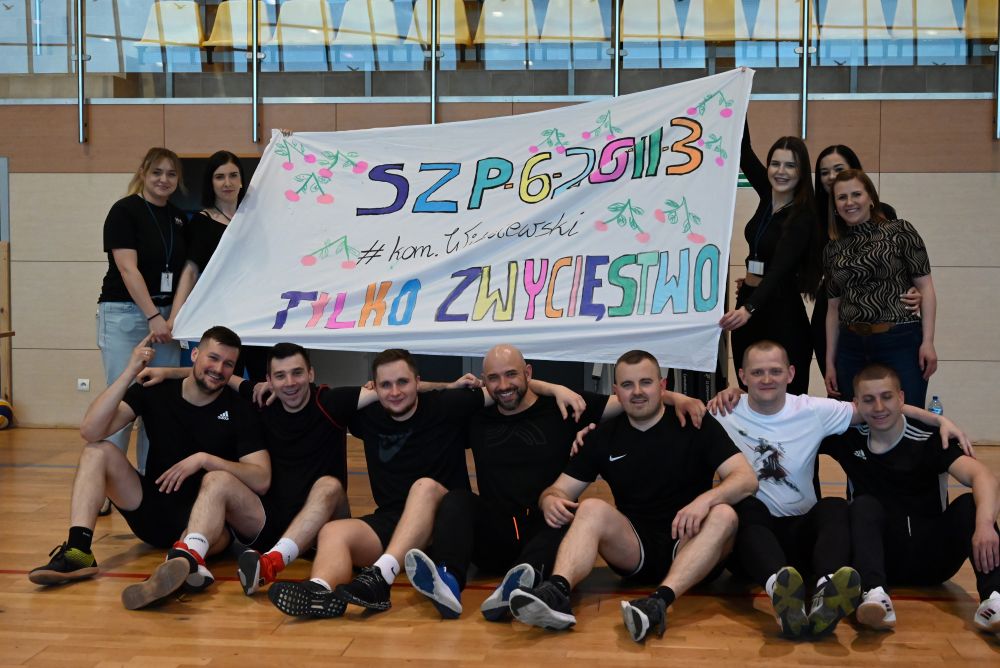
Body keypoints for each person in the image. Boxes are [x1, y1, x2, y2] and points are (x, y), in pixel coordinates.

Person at [267, 348, 583, 619]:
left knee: (424, 487)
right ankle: (320, 593)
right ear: (374, 387)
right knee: (332, 532)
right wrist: (259, 387)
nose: (395, 392)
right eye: (386, 384)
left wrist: (555, 388)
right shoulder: (366, 416)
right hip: (393, 521)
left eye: (403, 382)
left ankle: (381, 578)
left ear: (418, 382)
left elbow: (505, 386)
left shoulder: (448, 405)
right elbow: (304, 398)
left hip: (444, 525)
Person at [402, 344, 707, 621]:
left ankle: (518, 585)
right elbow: (414, 395)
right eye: (493, 378)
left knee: (567, 514)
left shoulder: (565, 407)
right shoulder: (476, 416)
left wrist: (676, 397)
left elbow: (632, 398)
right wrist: (440, 386)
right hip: (495, 534)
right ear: (484, 382)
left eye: (511, 374)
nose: (503, 385)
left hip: (546, 529)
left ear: (528, 373)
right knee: (456, 499)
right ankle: (448, 582)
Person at [708, 340, 969, 638]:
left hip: (800, 539)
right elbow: (680, 407)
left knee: (833, 506)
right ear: (742, 376)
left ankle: (826, 589)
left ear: (790, 373)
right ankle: (779, 591)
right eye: (757, 372)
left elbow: (877, 405)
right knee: (745, 505)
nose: (767, 379)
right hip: (750, 545)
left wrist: (938, 419)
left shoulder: (813, 410)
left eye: (775, 371)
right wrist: (691, 397)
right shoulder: (722, 412)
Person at [508, 350, 757, 643]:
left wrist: (705, 501)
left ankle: (659, 603)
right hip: (636, 549)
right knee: (591, 507)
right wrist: (550, 499)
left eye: (646, 383)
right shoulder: (602, 436)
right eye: (627, 385)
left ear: (662, 386)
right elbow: (558, 489)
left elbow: (746, 479)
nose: (637, 392)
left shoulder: (694, 423)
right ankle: (557, 591)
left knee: (724, 513)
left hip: (692, 543)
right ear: (616, 391)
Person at [118, 342, 380, 609]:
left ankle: (271, 564)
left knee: (329, 485)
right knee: (216, 478)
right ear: (268, 380)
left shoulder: (331, 401)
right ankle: (189, 557)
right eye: (280, 375)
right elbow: (221, 376)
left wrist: (386, 384)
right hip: (267, 525)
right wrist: (168, 373)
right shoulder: (261, 400)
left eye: (297, 373)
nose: (290, 382)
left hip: (322, 528)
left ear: (311, 374)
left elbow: (393, 390)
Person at [28, 327, 267, 590]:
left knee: (211, 529)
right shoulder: (156, 389)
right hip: (152, 511)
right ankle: (79, 552)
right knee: (97, 451)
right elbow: (90, 431)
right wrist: (130, 371)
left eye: (228, 364)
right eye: (213, 358)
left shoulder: (239, 409)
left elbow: (261, 478)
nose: (219, 369)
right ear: (195, 355)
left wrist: (206, 460)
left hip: (207, 524)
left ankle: (178, 567)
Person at [819, 363, 1000, 636]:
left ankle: (994, 599)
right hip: (880, 560)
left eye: (887, 397)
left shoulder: (930, 438)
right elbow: (798, 415)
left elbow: (983, 476)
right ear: (855, 404)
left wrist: (985, 525)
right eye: (868, 400)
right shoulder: (848, 439)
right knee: (863, 505)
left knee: (970, 506)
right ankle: (875, 595)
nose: (879, 407)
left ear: (901, 398)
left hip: (933, 558)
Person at [97, 147, 188, 473]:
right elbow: (127, 269)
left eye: (171, 174)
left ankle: (151, 484)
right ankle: (109, 484)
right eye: (157, 172)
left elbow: (186, 272)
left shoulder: (178, 218)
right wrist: (153, 316)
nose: (164, 179)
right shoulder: (125, 211)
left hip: (166, 319)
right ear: (143, 173)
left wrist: (172, 317)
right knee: (122, 402)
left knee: (159, 405)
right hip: (127, 314)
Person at [720, 125, 821, 396]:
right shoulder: (768, 194)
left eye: (790, 165)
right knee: (748, 388)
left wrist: (749, 308)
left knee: (787, 395)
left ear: (801, 172)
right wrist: (740, 99)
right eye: (775, 164)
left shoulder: (802, 215)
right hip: (750, 299)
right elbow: (743, 151)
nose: (781, 171)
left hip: (780, 310)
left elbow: (779, 270)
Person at [823, 169, 937, 407]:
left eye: (856, 194)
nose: (850, 202)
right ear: (834, 206)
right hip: (850, 344)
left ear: (871, 198)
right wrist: (830, 362)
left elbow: (925, 287)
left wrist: (928, 342)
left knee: (908, 413)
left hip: (900, 339)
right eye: (842, 197)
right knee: (853, 417)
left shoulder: (900, 231)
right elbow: (833, 308)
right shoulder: (832, 249)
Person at [811, 145, 918, 380]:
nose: (832, 176)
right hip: (833, 312)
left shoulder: (882, 213)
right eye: (824, 172)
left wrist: (914, 289)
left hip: (886, 323)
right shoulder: (812, 217)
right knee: (842, 393)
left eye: (839, 169)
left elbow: (897, 262)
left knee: (888, 391)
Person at [171, 150, 267, 382]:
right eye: (220, 177)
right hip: (222, 314)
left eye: (233, 175)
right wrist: (175, 315)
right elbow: (191, 270)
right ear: (211, 183)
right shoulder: (202, 222)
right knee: (224, 376)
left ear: (242, 180)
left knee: (262, 378)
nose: (227, 183)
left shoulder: (255, 219)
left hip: (257, 312)